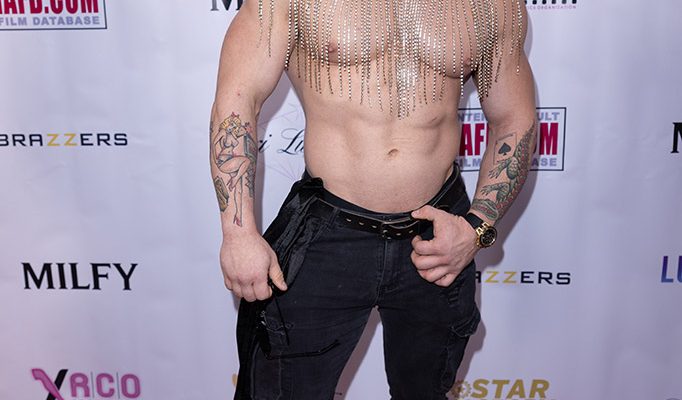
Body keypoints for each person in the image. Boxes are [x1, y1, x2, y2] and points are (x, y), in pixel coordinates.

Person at [210, 0, 536, 398]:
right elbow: (238, 101)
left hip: (439, 233)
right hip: (328, 230)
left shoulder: (490, 5)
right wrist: (238, 233)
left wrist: (477, 227)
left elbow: (513, 119)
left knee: (426, 392)